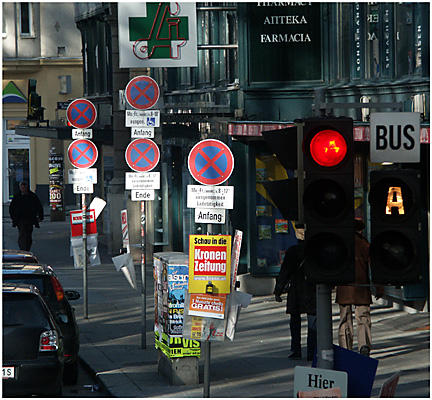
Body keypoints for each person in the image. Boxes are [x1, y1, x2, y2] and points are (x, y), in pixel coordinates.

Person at [335, 218, 383, 357]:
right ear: (359, 229)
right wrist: (378, 286)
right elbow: (374, 265)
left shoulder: (341, 244)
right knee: (363, 317)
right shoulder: (364, 243)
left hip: (344, 287)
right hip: (361, 287)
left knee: (345, 318)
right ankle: (364, 345)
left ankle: (345, 347)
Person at [274, 227, 317, 360]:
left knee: (295, 322)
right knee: (313, 322)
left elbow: (285, 272)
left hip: (296, 290)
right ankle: (311, 351)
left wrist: (278, 290)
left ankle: (296, 350)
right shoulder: (314, 251)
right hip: (311, 289)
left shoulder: (293, 251)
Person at [9, 181, 44, 251]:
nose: (23, 189)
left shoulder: (32, 196)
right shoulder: (17, 196)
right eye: (22, 188)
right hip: (20, 219)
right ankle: (23, 249)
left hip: (29, 218)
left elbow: (39, 206)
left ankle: (27, 249)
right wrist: (14, 217)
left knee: (28, 234)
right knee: (22, 234)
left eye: (24, 187)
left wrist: (40, 217)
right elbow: (12, 208)